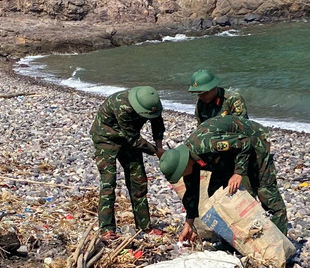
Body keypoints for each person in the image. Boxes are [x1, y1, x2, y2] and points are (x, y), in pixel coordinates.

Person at [158, 114, 286, 241]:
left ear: (183, 164)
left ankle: (280, 244)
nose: (182, 177)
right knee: (217, 195)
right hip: (230, 153)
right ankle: (232, 239)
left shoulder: (207, 144)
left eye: (180, 174)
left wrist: (238, 173)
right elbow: (191, 193)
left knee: (266, 192)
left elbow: (244, 142)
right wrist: (189, 224)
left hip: (254, 141)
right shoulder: (188, 161)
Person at [89, 86, 165, 240]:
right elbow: (134, 139)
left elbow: (157, 123)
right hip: (106, 139)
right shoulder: (121, 105)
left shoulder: (152, 103)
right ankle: (107, 229)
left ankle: (144, 226)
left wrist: (159, 146)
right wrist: (155, 152)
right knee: (109, 184)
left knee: (139, 182)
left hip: (129, 140)